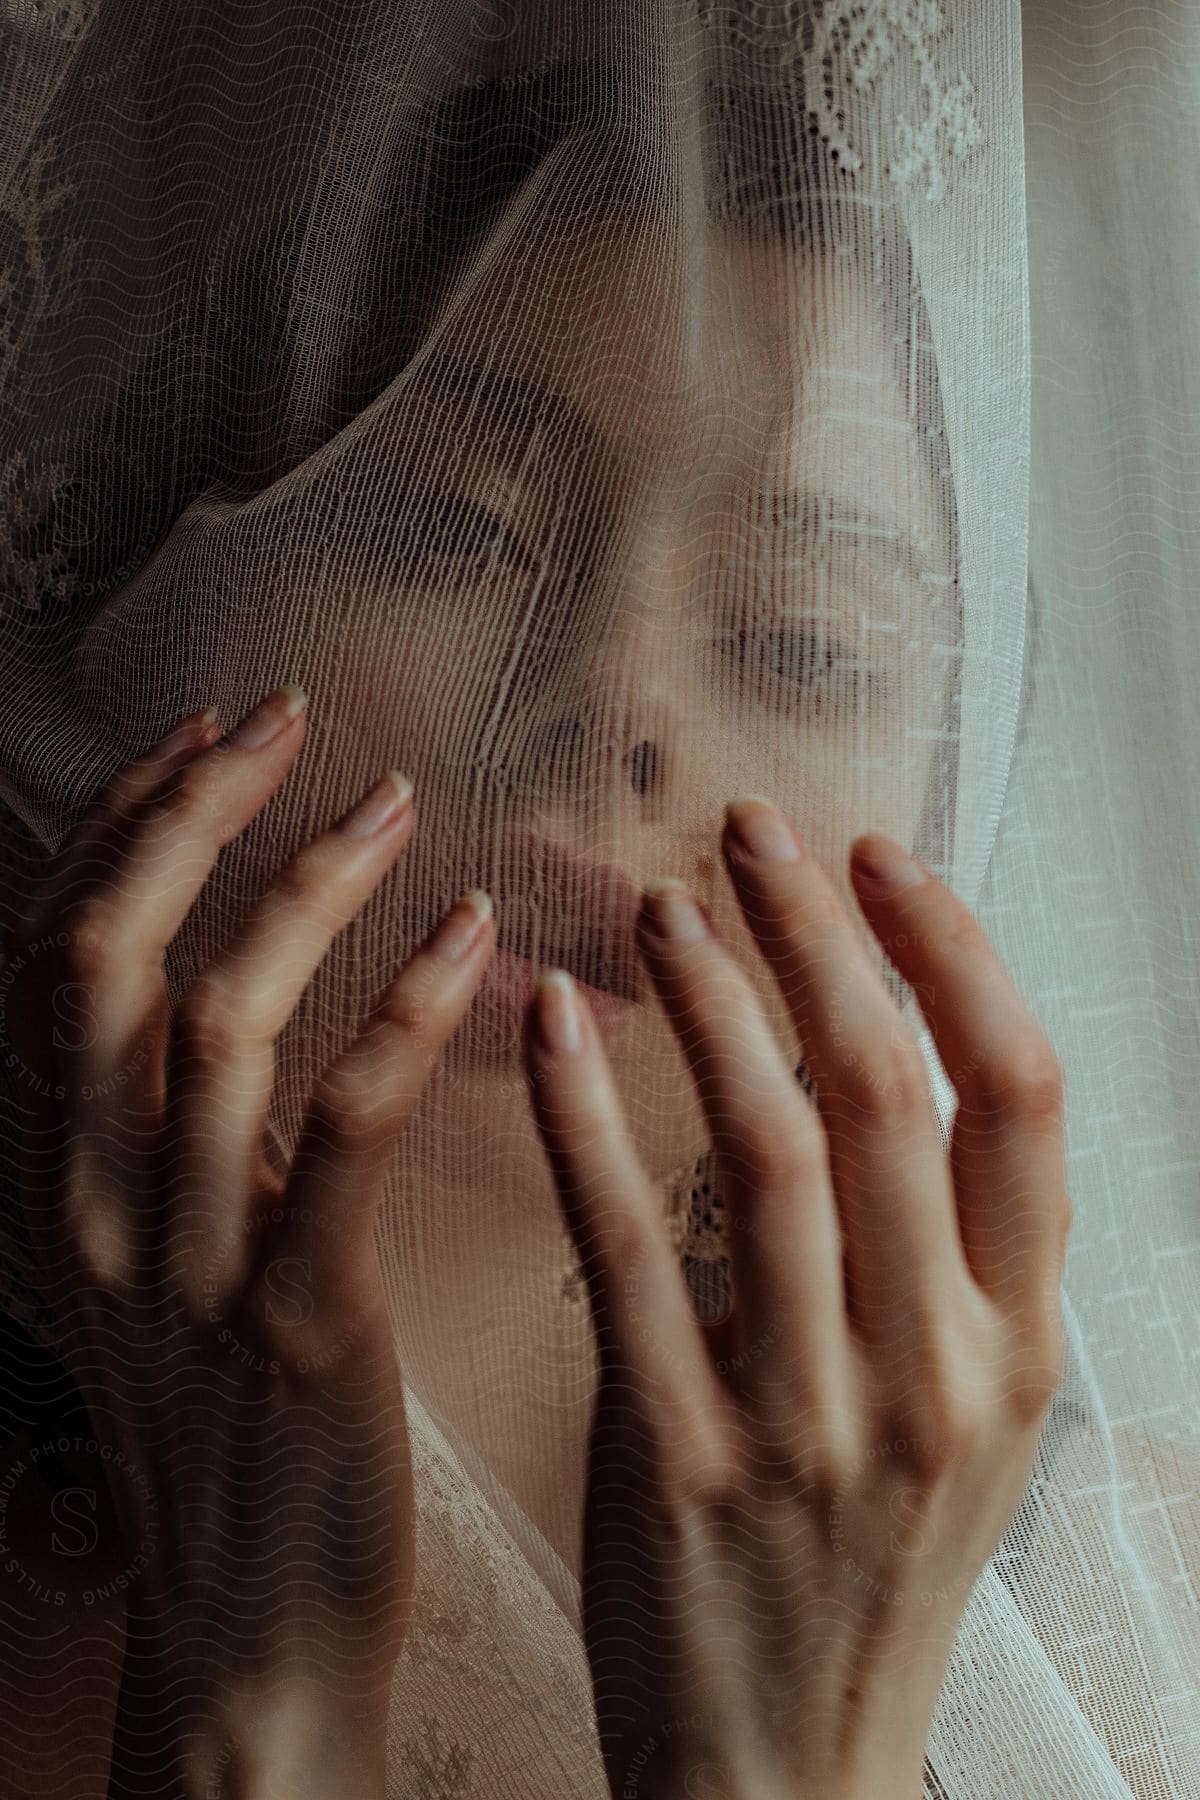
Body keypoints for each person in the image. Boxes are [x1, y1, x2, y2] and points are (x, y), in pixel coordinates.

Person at [0, 19, 1195, 1800]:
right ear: (152, 608)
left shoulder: (1135, 1597)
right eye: (455, 532)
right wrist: (260, 1682)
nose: (619, 704)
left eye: (806, 639)